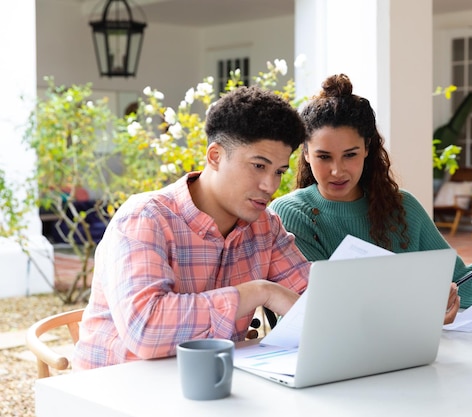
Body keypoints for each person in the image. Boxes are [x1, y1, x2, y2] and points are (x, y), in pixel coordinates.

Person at [269, 74, 472, 320]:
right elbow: (321, 305)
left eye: (350, 155)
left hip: (409, 351)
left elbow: (456, 277)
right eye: (323, 156)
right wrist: (421, 314)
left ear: (367, 148)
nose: (337, 170)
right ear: (305, 153)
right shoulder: (292, 213)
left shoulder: (401, 206)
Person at [73, 86, 310, 370]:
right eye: (259, 166)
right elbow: (146, 330)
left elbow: (315, 299)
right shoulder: (145, 218)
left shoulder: (264, 226)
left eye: (279, 172)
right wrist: (259, 292)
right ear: (215, 156)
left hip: (207, 383)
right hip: (115, 388)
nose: (270, 186)